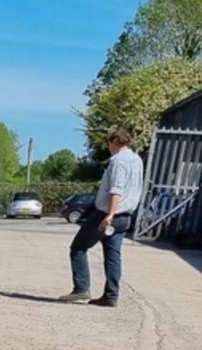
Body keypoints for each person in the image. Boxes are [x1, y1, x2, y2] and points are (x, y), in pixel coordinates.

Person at [60, 126, 144, 307]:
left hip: (109, 214)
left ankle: (81, 288)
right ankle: (111, 295)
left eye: (109, 143)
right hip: (125, 216)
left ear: (114, 142)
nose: (108, 147)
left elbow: (117, 190)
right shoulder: (137, 160)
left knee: (78, 247)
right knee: (113, 256)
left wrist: (110, 214)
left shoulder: (118, 161)